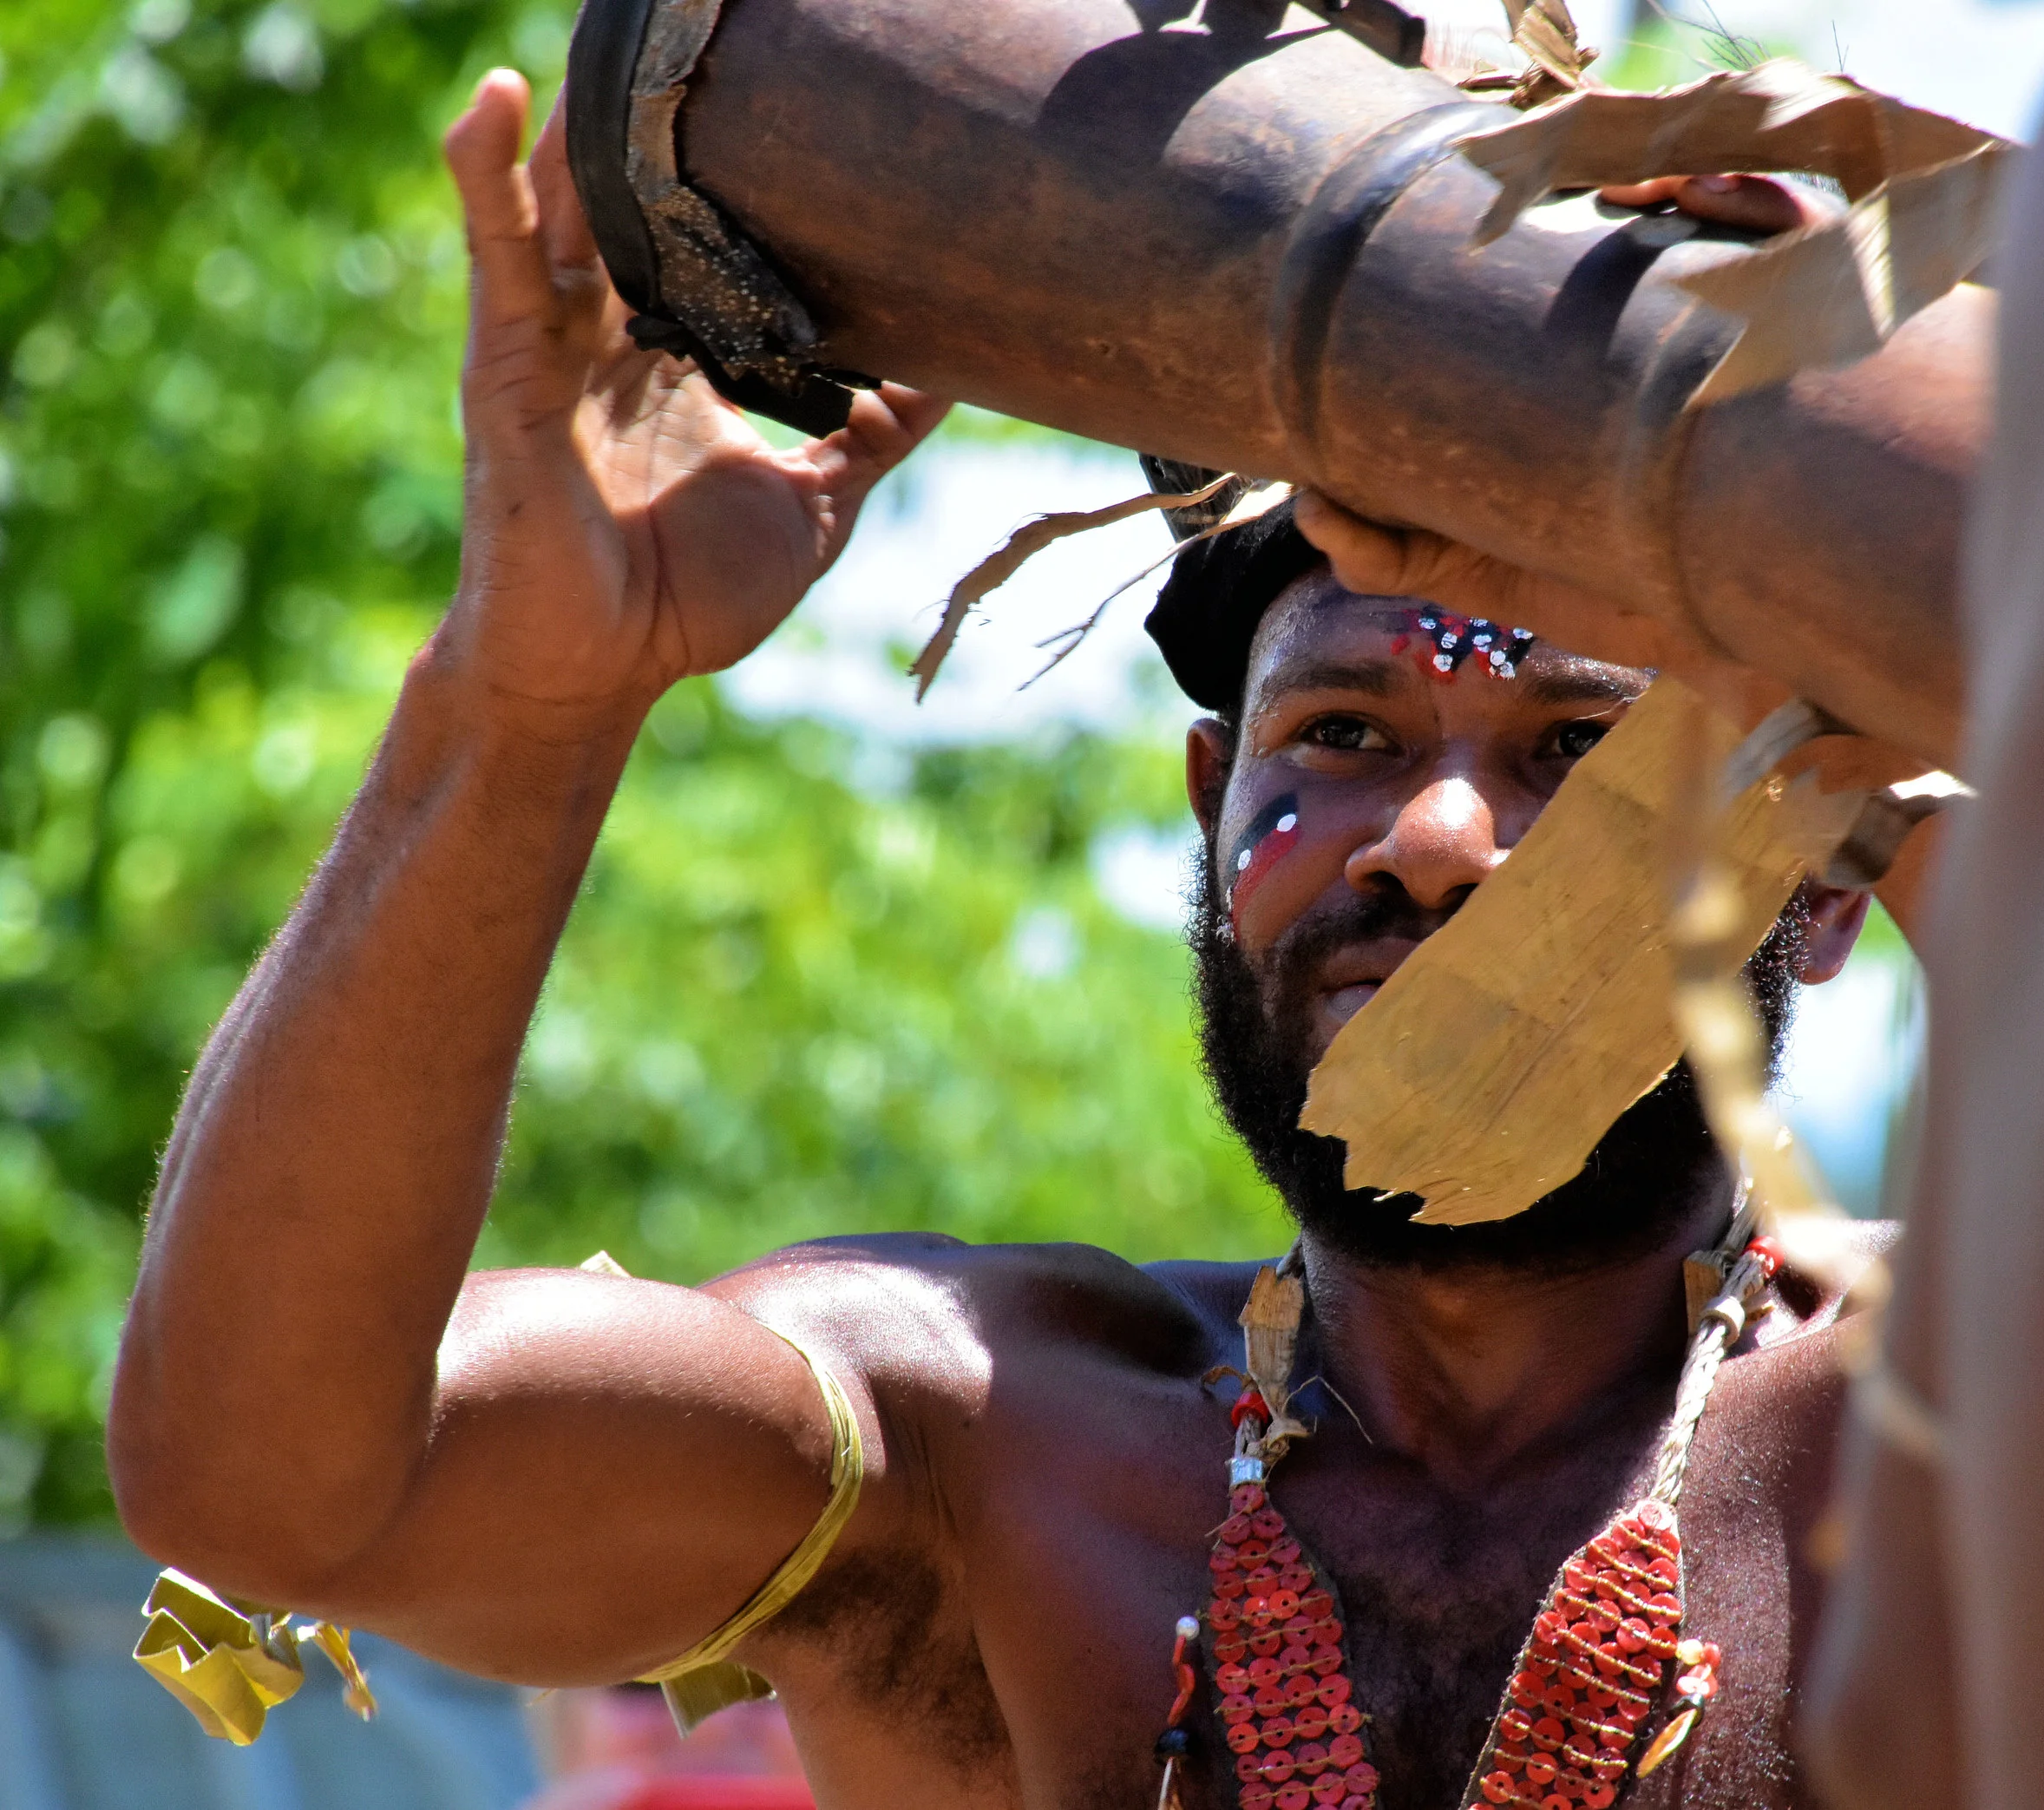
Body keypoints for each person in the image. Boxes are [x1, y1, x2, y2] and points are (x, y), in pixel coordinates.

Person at [108, 73, 1927, 1810]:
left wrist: (1927, 529)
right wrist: (528, 705)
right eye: (1344, 740)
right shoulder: (979, 1441)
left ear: (1830, 867)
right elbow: (278, 1492)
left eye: (1582, 759)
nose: (1437, 845)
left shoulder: (1967, 1442)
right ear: (1213, 804)